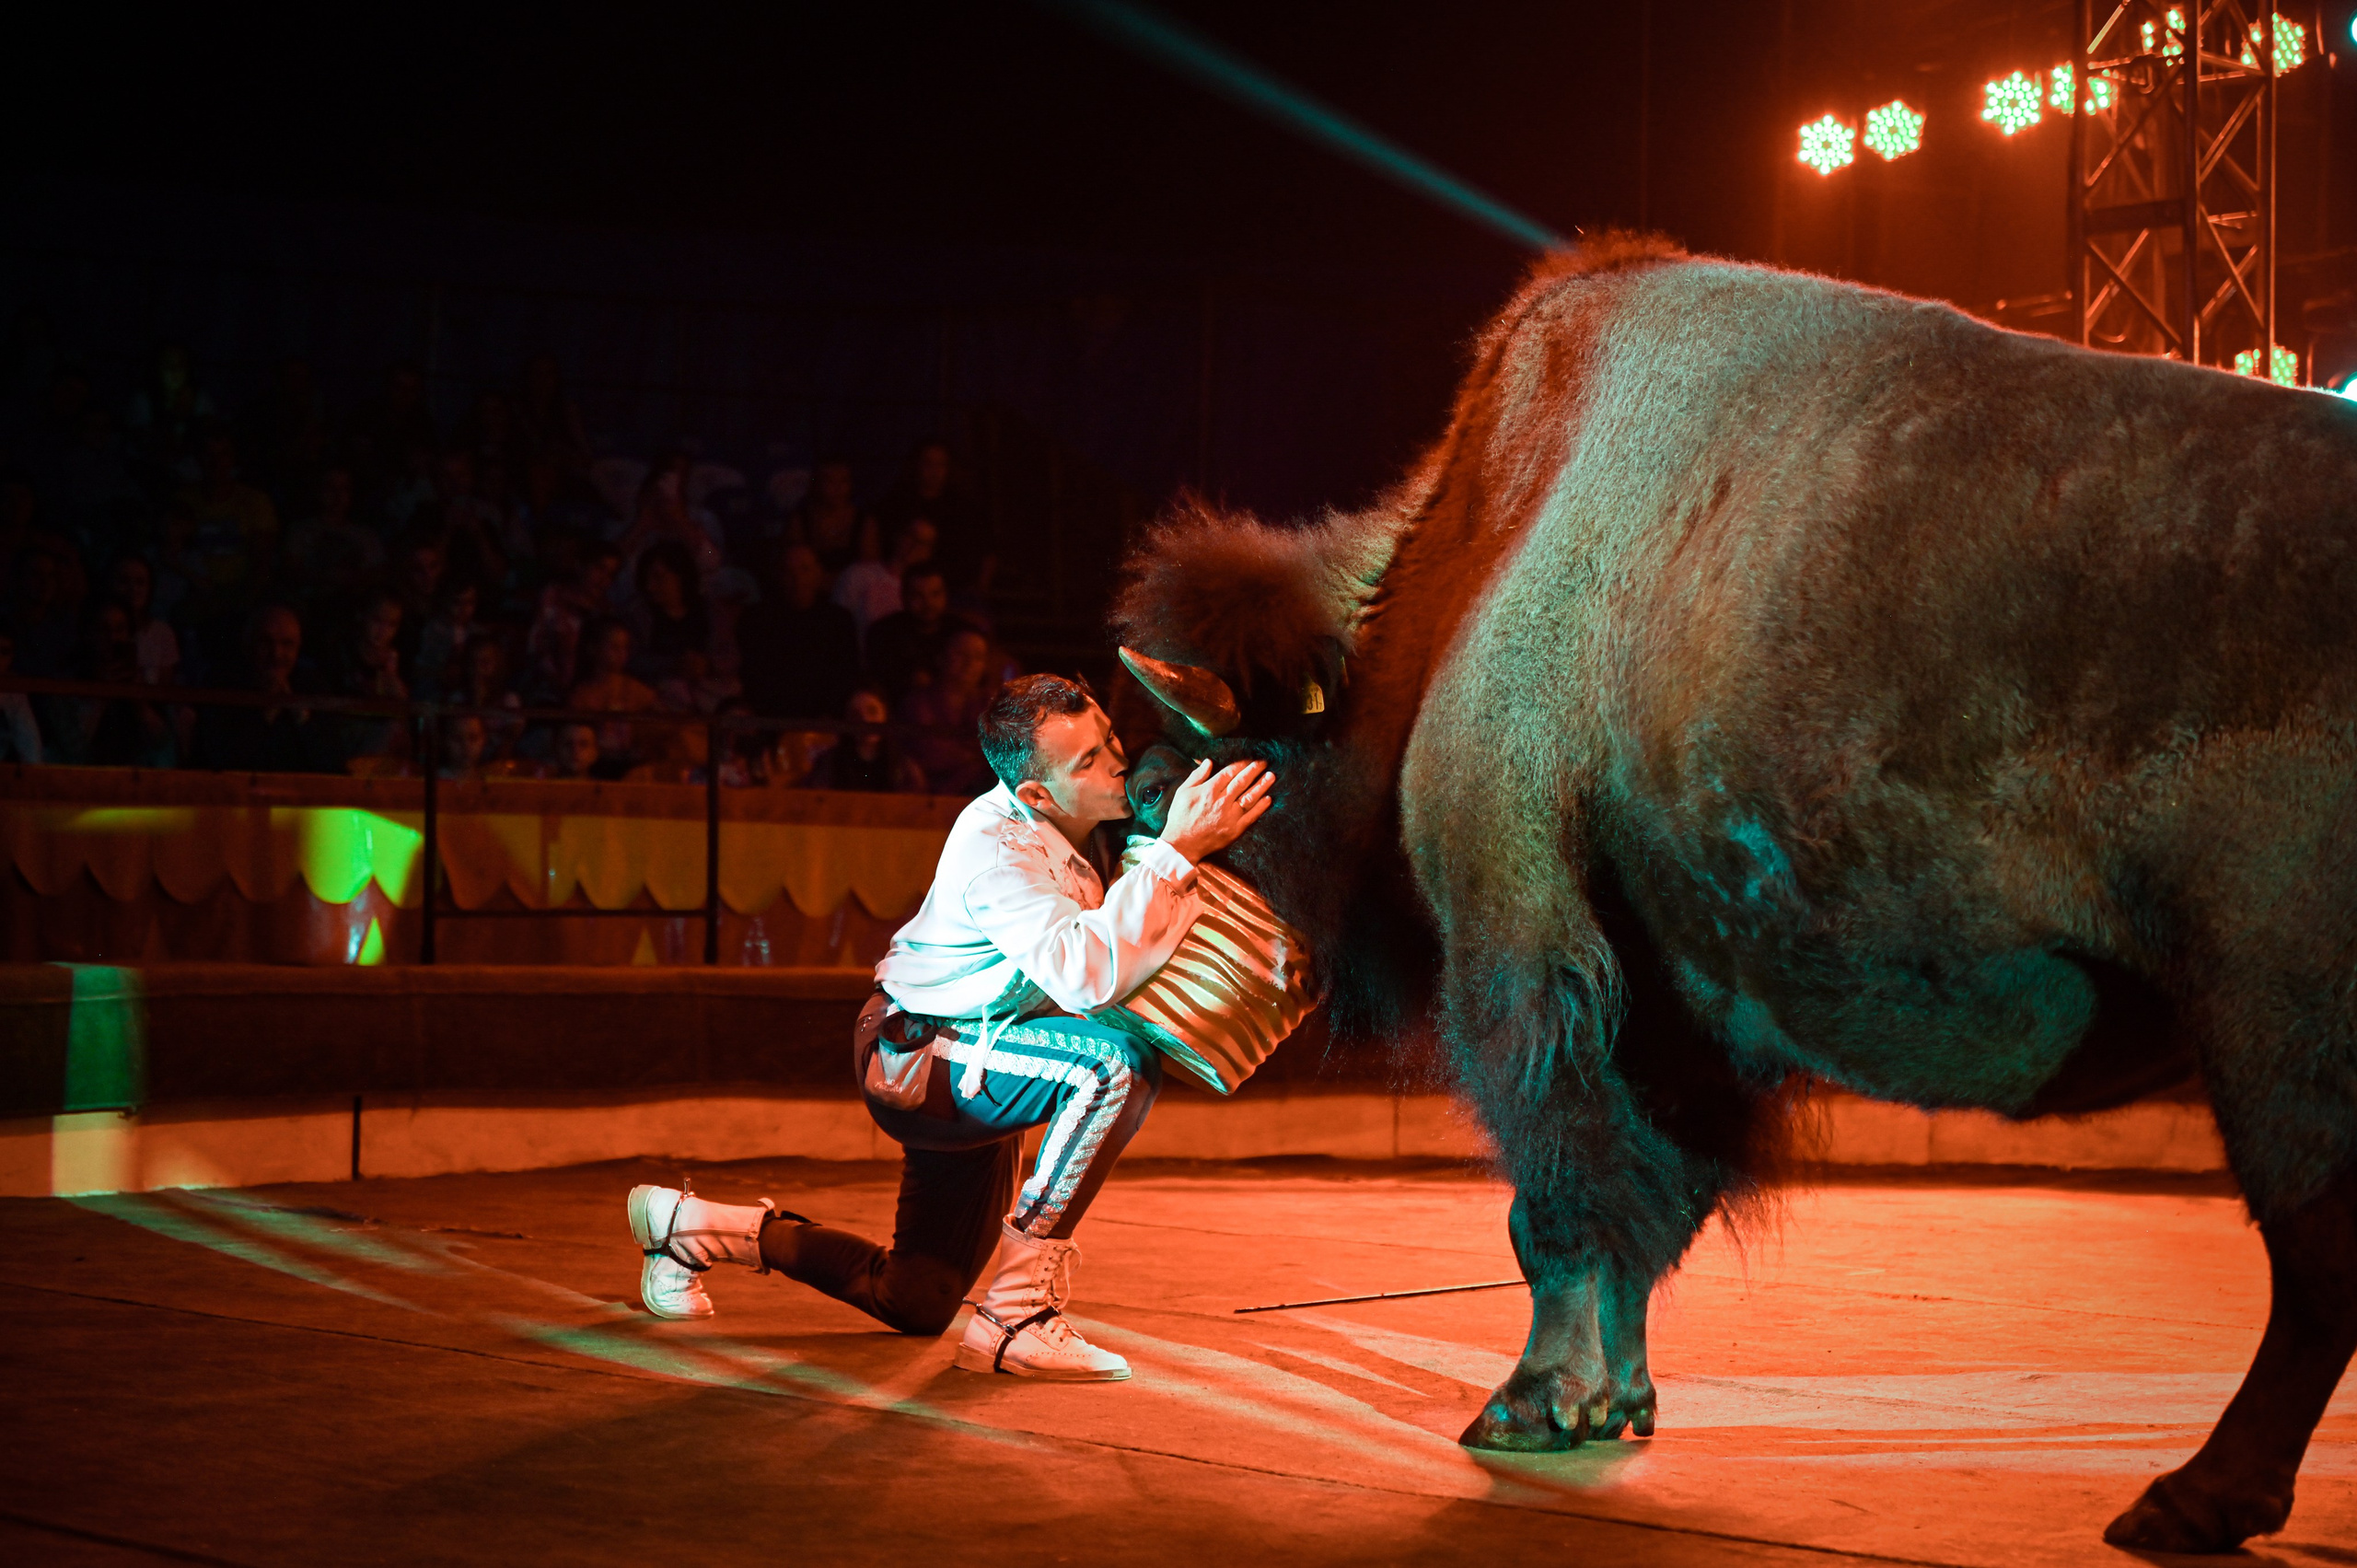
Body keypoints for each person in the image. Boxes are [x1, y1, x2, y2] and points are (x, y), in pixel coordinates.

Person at [624, 674, 1274, 1381]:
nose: (1116, 761)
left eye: (1110, 739)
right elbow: (1086, 974)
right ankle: (1018, 1316)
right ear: (1036, 795)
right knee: (1112, 1066)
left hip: (984, 1052)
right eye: (1086, 760)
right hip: (917, 1054)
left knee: (916, 1297)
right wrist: (1178, 850)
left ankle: (690, 1228)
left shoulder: (1085, 824)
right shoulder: (998, 849)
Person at [189, 605, 338, 773]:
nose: (276, 653)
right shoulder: (223, 682)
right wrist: (269, 710)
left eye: (287, 644)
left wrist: (301, 716)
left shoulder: (312, 685)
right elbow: (222, 760)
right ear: (249, 643)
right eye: (266, 642)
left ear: (298, 647)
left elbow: (330, 761)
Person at [736, 542, 859, 721]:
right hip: (770, 718)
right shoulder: (757, 618)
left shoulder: (838, 620)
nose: (797, 579)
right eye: (788, 571)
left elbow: (846, 673)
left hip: (824, 721)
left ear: (819, 574)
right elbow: (752, 672)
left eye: (805, 570)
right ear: (778, 576)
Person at [898, 628, 998, 796]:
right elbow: (930, 752)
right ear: (941, 657)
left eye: (978, 657)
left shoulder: (991, 703)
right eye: (961, 654)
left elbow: (996, 752)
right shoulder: (919, 701)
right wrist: (975, 757)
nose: (969, 663)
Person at [863, 563, 967, 703]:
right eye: (918, 595)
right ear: (904, 596)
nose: (928, 603)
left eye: (935, 594)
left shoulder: (961, 633)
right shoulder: (883, 633)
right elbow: (875, 681)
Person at [831, 517, 935, 648]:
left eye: (924, 543)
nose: (915, 546)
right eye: (911, 536)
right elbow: (835, 624)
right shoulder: (859, 574)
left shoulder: (927, 593)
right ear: (898, 535)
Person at [807, 687, 926, 793]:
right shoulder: (830, 765)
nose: (865, 720)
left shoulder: (904, 767)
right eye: (855, 714)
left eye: (872, 711)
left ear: (885, 714)